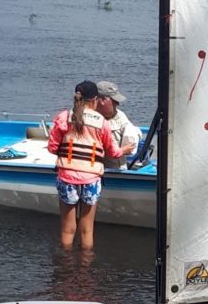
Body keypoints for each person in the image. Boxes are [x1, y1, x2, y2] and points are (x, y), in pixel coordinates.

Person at [47, 80, 125, 250]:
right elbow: (113, 152)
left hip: (67, 177)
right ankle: (85, 269)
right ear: (95, 100)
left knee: (67, 229)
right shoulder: (102, 122)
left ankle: (65, 267)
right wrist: (125, 149)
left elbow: (53, 148)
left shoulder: (64, 117)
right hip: (91, 179)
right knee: (87, 230)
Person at [95, 80, 142, 167]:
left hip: (119, 171)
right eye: (114, 101)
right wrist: (122, 150)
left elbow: (131, 137)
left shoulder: (120, 115)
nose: (117, 104)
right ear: (102, 100)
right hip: (95, 172)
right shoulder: (87, 119)